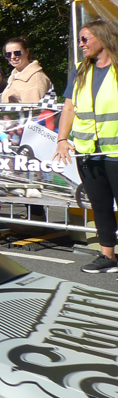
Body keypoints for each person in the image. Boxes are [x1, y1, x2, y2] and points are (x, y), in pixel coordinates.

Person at [54, 20, 118, 274]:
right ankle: (108, 256)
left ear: (102, 38)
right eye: (79, 39)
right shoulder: (80, 69)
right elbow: (68, 108)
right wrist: (61, 140)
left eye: (85, 39)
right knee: (100, 204)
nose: (80, 45)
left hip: (115, 152)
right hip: (87, 151)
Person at [1, 37, 52, 103]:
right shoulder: (15, 75)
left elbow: (34, 111)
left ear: (27, 52)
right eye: (8, 54)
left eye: (17, 53)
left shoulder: (35, 79)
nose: (12, 57)